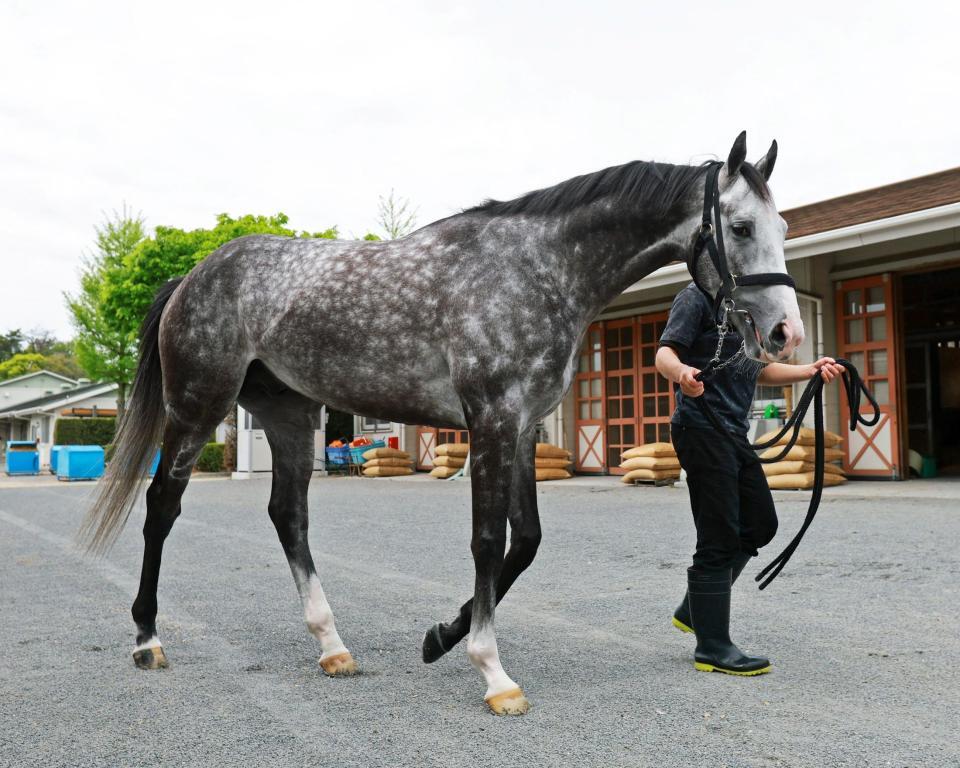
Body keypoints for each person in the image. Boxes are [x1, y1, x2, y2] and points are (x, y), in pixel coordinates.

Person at [656, 282, 844, 676]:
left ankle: (696, 609)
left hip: (732, 434)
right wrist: (682, 373)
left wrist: (808, 370)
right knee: (718, 535)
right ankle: (712, 646)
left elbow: (757, 369)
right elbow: (664, 353)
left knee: (760, 524)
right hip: (700, 428)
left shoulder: (746, 309)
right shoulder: (696, 298)